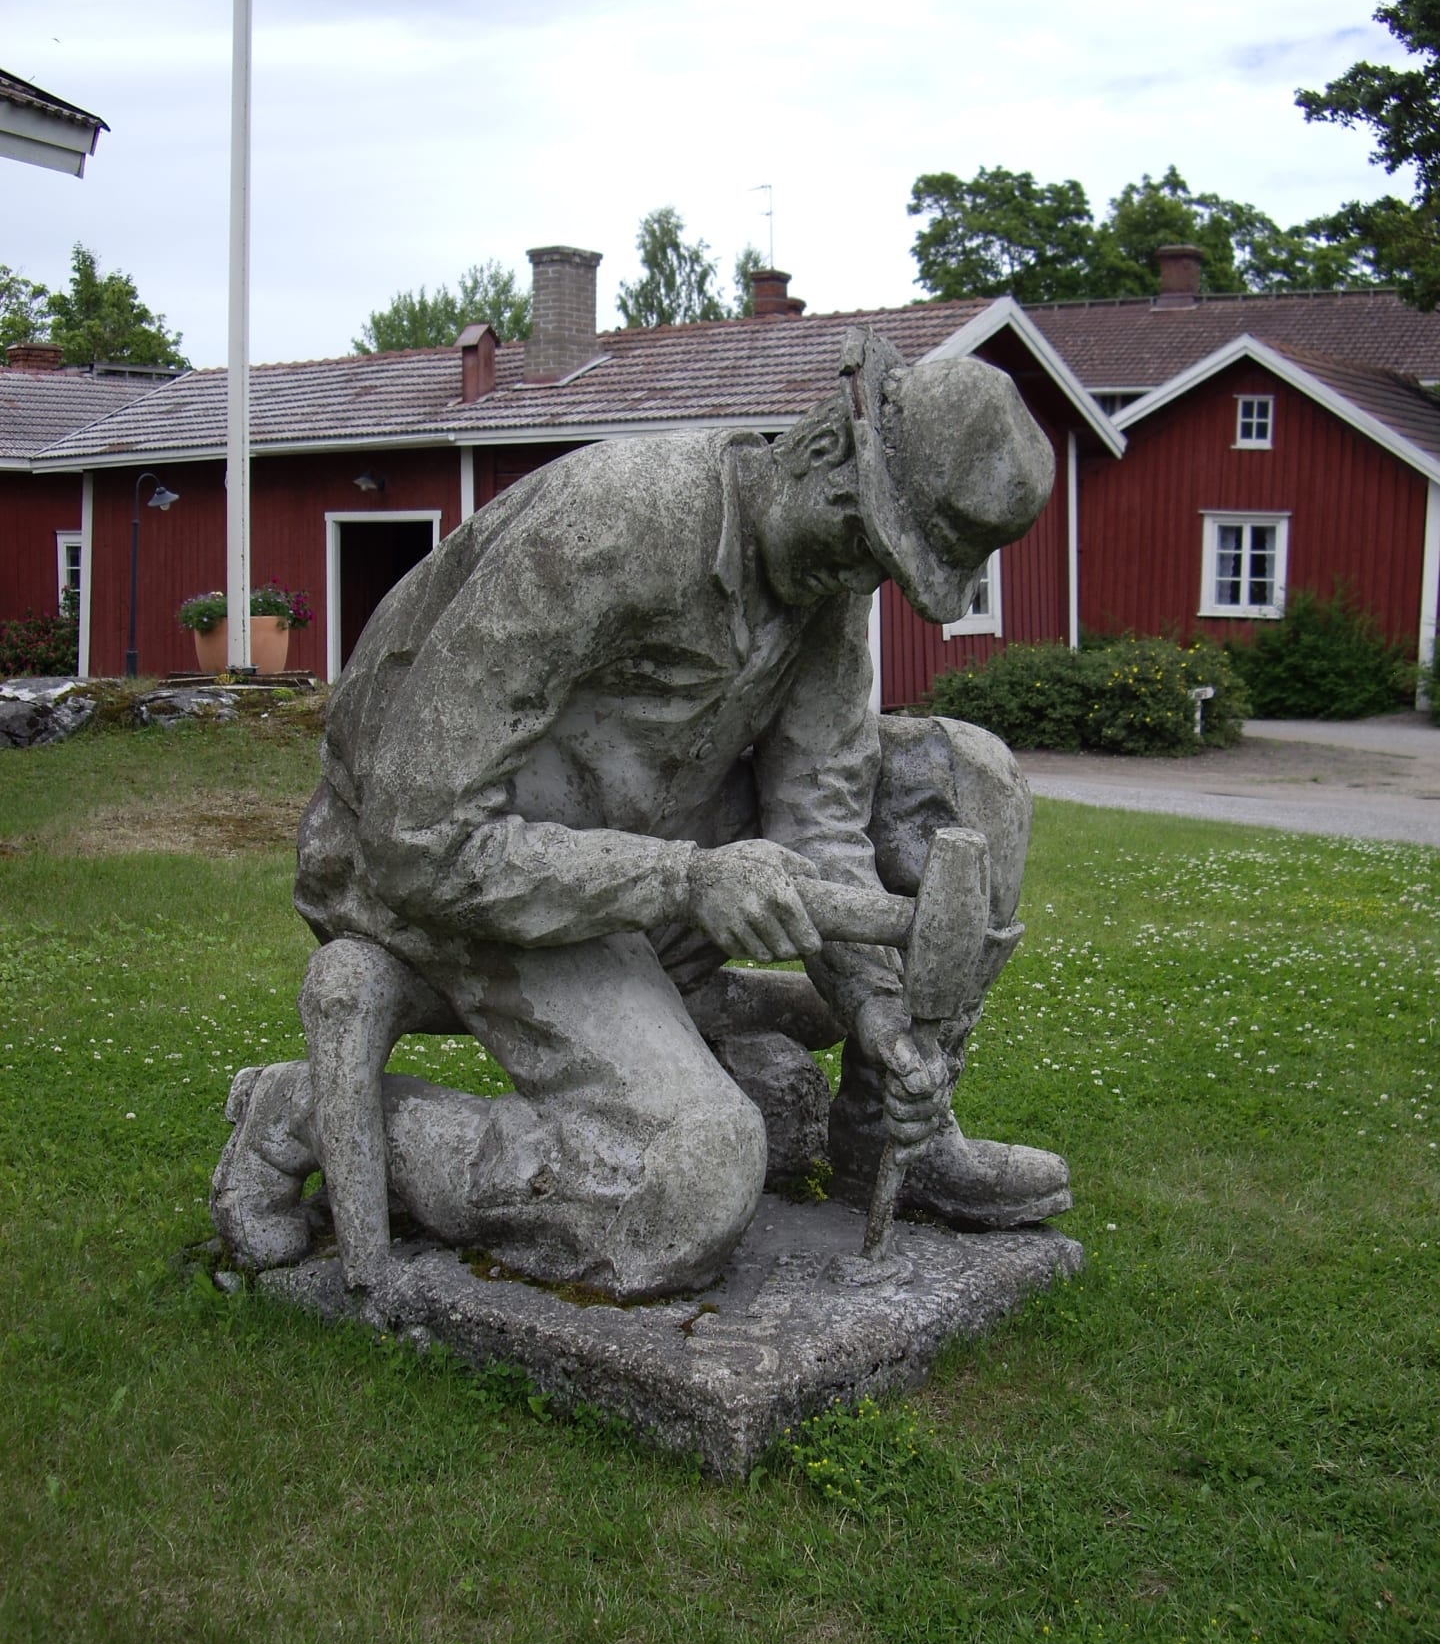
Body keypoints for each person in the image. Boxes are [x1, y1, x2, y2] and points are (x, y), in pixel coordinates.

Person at [213, 332, 1071, 1298]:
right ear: (829, 451)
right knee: (693, 1180)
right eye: (868, 541)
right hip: (460, 883)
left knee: (964, 776)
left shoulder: (830, 581)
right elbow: (419, 837)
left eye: (891, 568)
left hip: (655, 860)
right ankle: (308, 1116)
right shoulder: (619, 523)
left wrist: (875, 1005)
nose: (864, 581)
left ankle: (893, 1132)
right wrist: (689, 882)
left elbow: (820, 815)